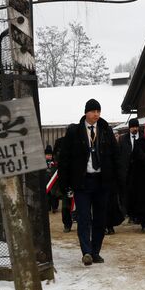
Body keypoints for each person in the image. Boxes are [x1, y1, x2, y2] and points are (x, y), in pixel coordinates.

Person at [59, 98, 122, 266]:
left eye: (98, 111)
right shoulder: (75, 132)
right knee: (84, 218)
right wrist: (64, 183)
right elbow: (64, 158)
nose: (96, 114)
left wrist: (117, 180)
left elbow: (116, 156)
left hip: (102, 182)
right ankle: (86, 252)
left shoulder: (105, 130)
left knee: (100, 219)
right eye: (93, 111)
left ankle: (95, 252)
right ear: (86, 112)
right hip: (83, 182)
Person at [118, 118, 143, 224]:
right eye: (133, 127)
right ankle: (129, 214)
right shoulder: (123, 139)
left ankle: (138, 215)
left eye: (136, 127)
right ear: (129, 128)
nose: (135, 129)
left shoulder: (142, 138)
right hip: (126, 171)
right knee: (127, 193)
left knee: (138, 193)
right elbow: (119, 154)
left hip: (139, 170)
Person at [45, 145, 59, 213]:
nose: (49, 156)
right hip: (47, 182)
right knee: (47, 195)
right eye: (48, 155)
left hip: (54, 182)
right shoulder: (44, 163)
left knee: (54, 195)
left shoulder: (55, 163)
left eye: (50, 155)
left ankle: (54, 207)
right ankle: (47, 207)